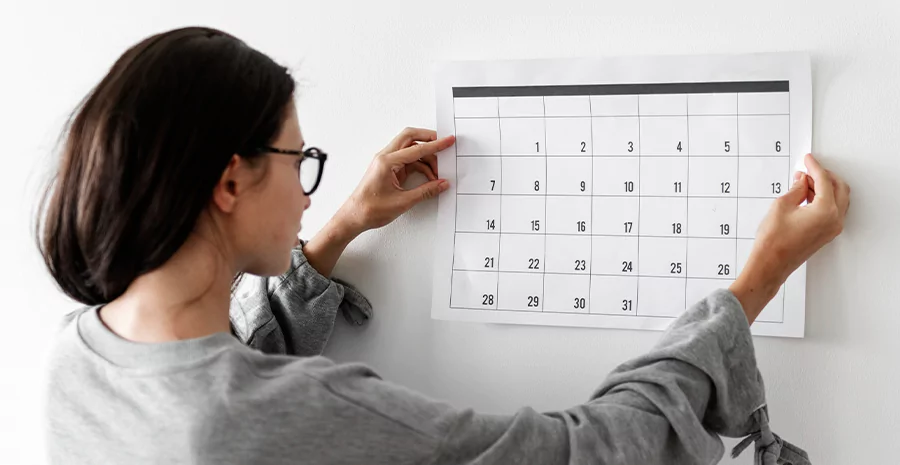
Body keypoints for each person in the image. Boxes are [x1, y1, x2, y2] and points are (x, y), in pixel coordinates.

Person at [39, 26, 849, 465]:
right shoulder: (285, 416)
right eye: (299, 160)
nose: (310, 186)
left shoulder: (81, 355)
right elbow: (588, 454)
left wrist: (338, 230)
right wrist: (756, 278)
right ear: (228, 182)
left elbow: (220, 367)